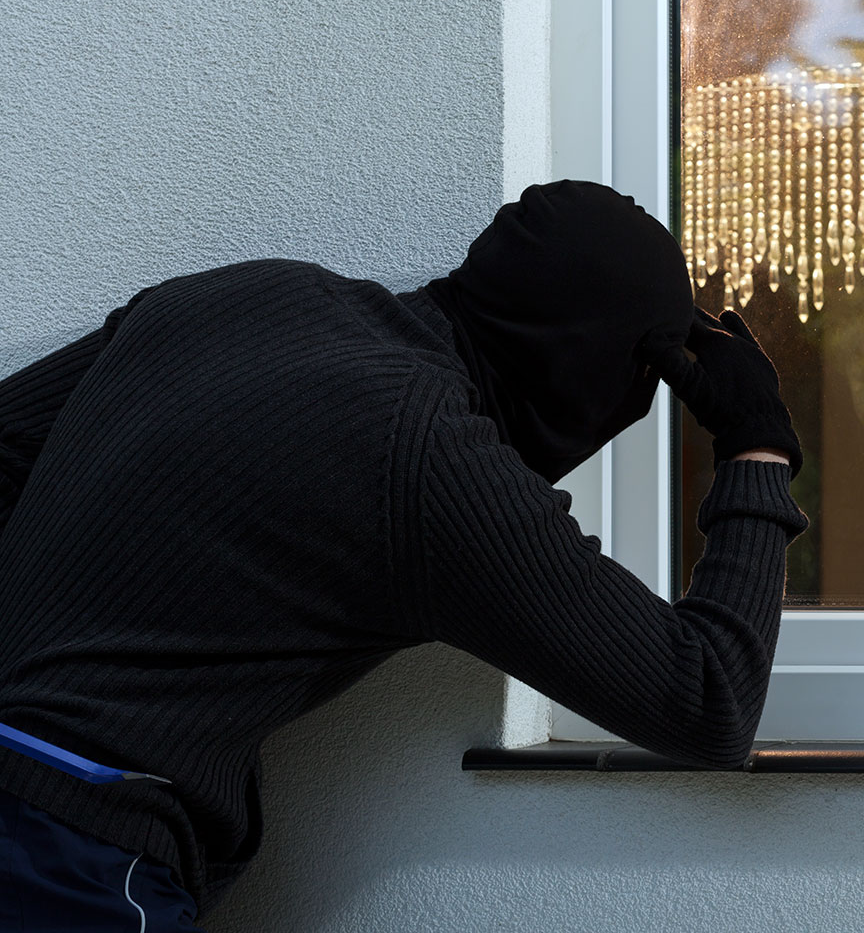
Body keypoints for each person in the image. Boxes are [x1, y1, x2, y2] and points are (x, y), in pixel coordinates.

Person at [0, 180, 806, 929]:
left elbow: (8, 447)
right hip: (66, 851)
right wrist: (756, 444)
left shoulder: (247, 291)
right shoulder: (429, 454)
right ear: (604, 369)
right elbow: (708, 702)